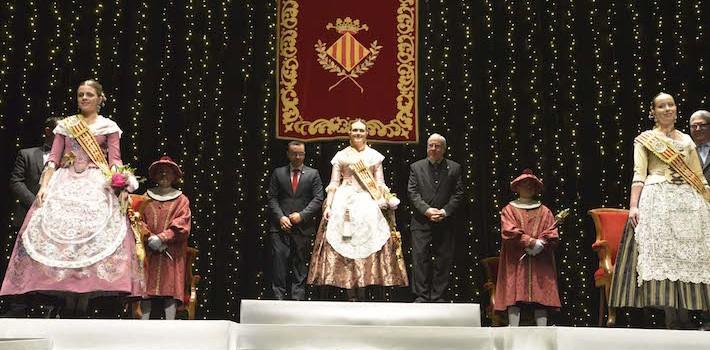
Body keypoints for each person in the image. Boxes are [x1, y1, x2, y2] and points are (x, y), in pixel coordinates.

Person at [0, 80, 144, 317]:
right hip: (65, 183)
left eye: (89, 95)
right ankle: (66, 298)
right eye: (80, 95)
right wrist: (44, 186)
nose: (84, 98)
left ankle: (84, 300)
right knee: (61, 239)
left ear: (100, 98)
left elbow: (115, 160)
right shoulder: (66, 126)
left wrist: (120, 182)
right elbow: (53, 159)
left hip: (95, 184)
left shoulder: (108, 126)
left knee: (90, 240)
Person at [609, 93, 710, 329]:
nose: (667, 109)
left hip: (687, 203)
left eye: (671, 105)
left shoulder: (686, 141)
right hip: (658, 200)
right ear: (652, 112)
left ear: (676, 109)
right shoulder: (645, 140)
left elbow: (698, 177)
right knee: (664, 256)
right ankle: (671, 317)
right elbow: (638, 174)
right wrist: (633, 206)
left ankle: (685, 315)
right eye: (661, 106)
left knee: (686, 256)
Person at [308, 120, 408, 301]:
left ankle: (363, 290)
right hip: (344, 203)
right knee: (346, 244)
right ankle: (349, 292)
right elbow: (333, 184)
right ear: (349, 133)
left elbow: (380, 184)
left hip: (367, 202)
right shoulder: (341, 156)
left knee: (366, 246)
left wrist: (387, 198)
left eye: (361, 130)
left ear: (367, 133)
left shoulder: (375, 156)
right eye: (354, 130)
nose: (358, 133)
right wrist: (329, 205)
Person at [2, 117, 60, 317]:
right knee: (23, 260)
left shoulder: (68, 159)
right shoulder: (26, 154)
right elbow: (16, 181)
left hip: (55, 220)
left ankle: (50, 305)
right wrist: (34, 202)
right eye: (57, 132)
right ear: (47, 131)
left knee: (50, 262)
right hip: (28, 215)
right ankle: (18, 305)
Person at [494, 169, 561, 326]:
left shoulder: (545, 211)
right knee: (515, 295)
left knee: (541, 295)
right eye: (525, 184)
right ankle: (513, 329)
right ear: (517, 187)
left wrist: (541, 243)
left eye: (532, 184)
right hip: (515, 258)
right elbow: (508, 231)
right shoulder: (509, 210)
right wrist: (530, 242)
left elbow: (552, 232)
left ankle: (542, 331)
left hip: (540, 259)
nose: (528, 187)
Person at [407, 133, 464, 302]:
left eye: (437, 146)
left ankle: (439, 295)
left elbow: (458, 194)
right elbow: (413, 192)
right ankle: (422, 295)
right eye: (430, 145)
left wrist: (445, 211)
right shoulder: (416, 167)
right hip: (421, 221)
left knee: (443, 259)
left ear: (444, 149)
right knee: (420, 259)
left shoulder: (454, 168)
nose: (433, 149)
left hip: (445, 221)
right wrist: (427, 210)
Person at [267, 141, 323, 301]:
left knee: (300, 264)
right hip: (280, 227)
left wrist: (302, 215)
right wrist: (281, 217)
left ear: (304, 154)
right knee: (279, 263)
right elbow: (272, 198)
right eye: (294, 154)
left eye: (301, 154)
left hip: (303, 227)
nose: (298, 157)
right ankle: (278, 298)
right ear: (288, 154)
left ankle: (298, 299)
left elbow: (318, 198)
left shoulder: (313, 174)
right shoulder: (278, 173)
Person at [138, 156, 192, 320]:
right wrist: (148, 237)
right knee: (146, 289)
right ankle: (143, 325)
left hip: (172, 252)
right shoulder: (145, 198)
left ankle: (170, 326)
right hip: (148, 251)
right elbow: (137, 220)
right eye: (160, 171)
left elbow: (182, 224)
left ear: (174, 176)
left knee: (170, 288)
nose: (163, 175)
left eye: (167, 172)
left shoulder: (181, 200)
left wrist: (162, 238)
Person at [689, 109, 710, 331]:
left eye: (702, 125)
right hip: (691, 218)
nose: (698, 129)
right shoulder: (685, 151)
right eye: (694, 126)